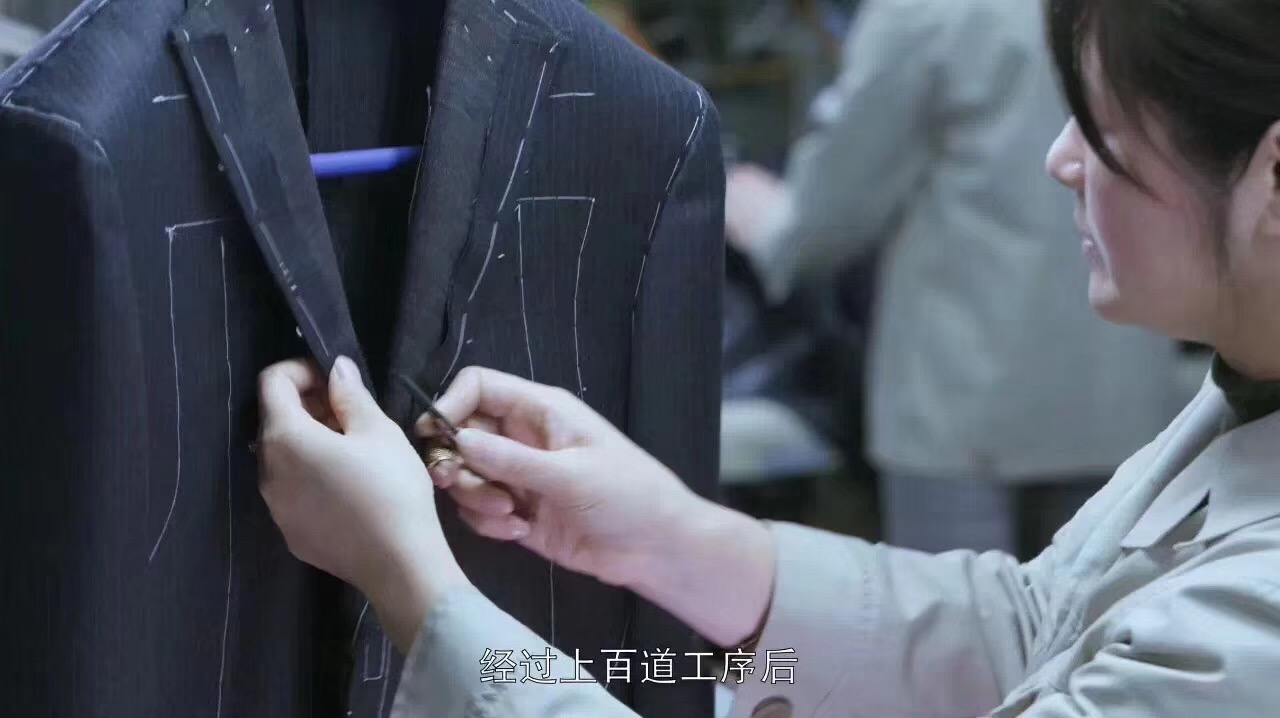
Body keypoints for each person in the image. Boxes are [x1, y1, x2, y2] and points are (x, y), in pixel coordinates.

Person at [256, 0, 1280, 715]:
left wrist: (414, 586)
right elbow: (1035, 629)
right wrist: (670, 535)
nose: (1060, 159)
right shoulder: (1242, 405)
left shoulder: (1251, 632)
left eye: (1103, 129)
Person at [725, 0, 1188, 557]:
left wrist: (750, 207)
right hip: (1121, 399)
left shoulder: (923, 13)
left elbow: (821, 223)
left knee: (950, 607)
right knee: (1104, 604)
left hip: (959, 413)